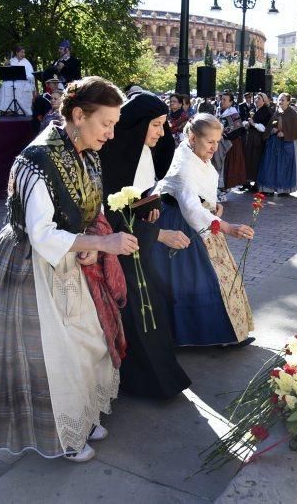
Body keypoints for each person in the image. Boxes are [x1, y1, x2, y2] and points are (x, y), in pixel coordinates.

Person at [0, 76, 135, 462]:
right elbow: (41, 233)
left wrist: (93, 244)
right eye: (105, 124)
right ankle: (63, 435)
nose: (110, 134)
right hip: (31, 267)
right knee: (51, 355)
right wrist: (101, 244)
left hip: (72, 261)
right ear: (78, 115)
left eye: (113, 124)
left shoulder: (86, 151)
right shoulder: (37, 158)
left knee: (86, 344)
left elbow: (89, 210)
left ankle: (82, 414)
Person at [98, 92, 192, 399]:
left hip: (138, 245)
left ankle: (157, 378)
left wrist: (145, 207)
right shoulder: (112, 154)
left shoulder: (146, 153)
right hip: (118, 249)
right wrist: (159, 233)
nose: (161, 132)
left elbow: (136, 197)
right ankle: (143, 381)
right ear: (137, 124)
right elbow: (109, 211)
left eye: (164, 125)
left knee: (151, 306)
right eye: (155, 125)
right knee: (136, 312)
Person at [151, 113, 255, 347]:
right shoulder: (183, 163)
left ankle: (223, 333)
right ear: (192, 137)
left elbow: (202, 192)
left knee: (215, 277)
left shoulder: (195, 154)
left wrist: (213, 204)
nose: (214, 147)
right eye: (210, 142)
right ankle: (203, 336)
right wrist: (227, 227)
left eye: (217, 141)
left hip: (200, 220)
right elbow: (190, 208)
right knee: (197, 279)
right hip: (181, 225)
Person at [256, 93, 297, 196]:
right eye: (279, 100)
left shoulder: (293, 114)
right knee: (270, 166)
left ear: (288, 101)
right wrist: (272, 130)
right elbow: (271, 124)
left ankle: (284, 190)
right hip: (274, 144)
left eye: (283, 100)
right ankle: (268, 188)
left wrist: (285, 133)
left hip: (287, 144)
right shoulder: (277, 112)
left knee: (284, 167)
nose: (280, 102)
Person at [216, 92, 247, 190]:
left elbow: (237, 130)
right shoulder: (220, 111)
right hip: (221, 143)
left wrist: (224, 135)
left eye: (225, 100)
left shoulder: (233, 113)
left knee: (229, 166)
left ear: (231, 102)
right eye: (222, 99)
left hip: (231, 144)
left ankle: (225, 188)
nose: (222, 101)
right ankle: (221, 187)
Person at [241, 92, 272, 191]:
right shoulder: (253, 109)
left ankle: (257, 183)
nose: (256, 100)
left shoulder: (267, 111)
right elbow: (246, 120)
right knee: (247, 159)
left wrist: (254, 124)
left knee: (256, 160)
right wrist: (246, 123)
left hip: (258, 139)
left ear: (264, 100)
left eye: (259, 98)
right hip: (249, 138)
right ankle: (246, 182)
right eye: (256, 98)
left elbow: (265, 128)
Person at [0, 45, 35, 116]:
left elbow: (31, 76)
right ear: (16, 53)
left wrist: (25, 76)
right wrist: (6, 66)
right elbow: (6, 74)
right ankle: (7, 109)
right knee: (5, 85)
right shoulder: (11, 61)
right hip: (13, 80)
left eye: (24, 52)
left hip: (24, 81)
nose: (23, 54)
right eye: (21, 52)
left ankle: (21, 110)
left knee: (20, 87)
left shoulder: (27, 62)